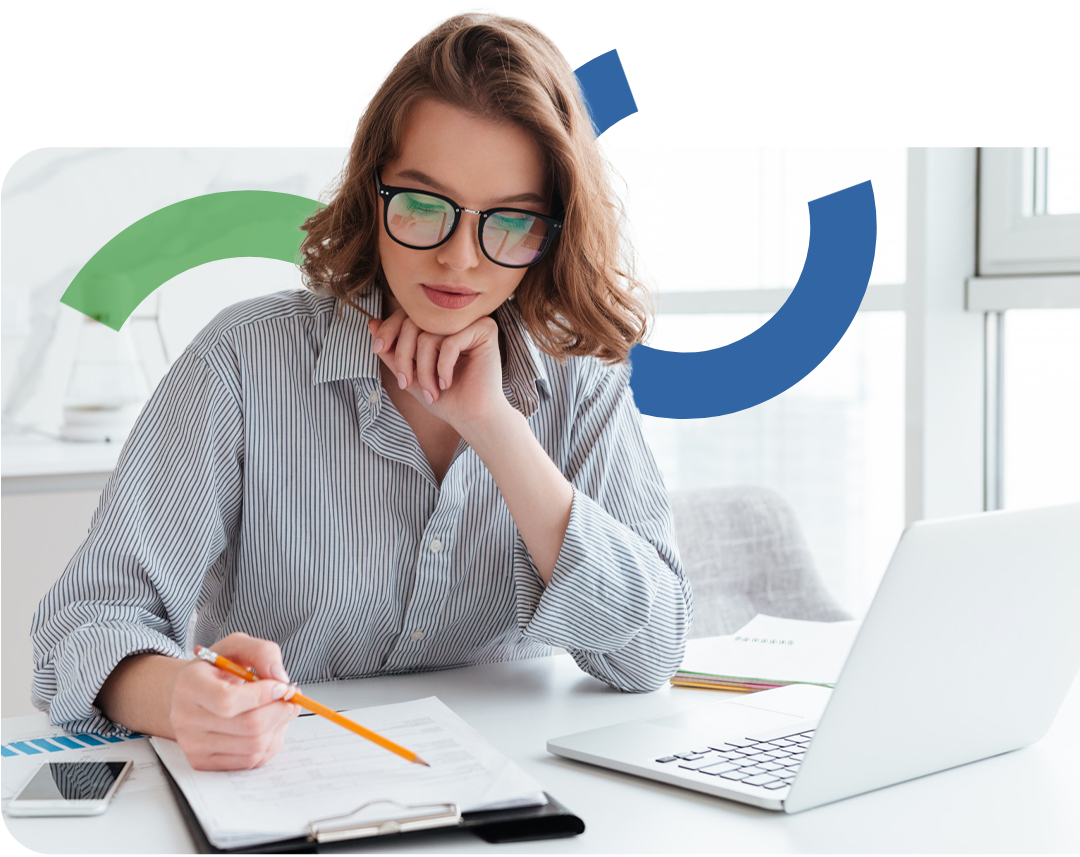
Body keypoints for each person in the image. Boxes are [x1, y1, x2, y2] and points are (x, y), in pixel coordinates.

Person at [31, 9, 693, 772]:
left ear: (553, 229)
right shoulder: (243, 360)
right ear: (372, 193)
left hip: (515, 789)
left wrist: (496, 428)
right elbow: (83, 626)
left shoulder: (580, 375)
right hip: (285, 788)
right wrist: (181, 696)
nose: (459, 259)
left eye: (510, 221)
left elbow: (651, 652)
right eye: (423, 205)